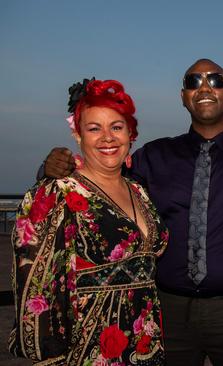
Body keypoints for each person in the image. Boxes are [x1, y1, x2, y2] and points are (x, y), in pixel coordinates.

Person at [41, 59, 223, 366]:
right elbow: (101, 188)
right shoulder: (153, 156)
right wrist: (54, 168)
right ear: (183, 97)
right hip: (166, 311)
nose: (204, 87)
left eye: (215, 80)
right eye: (193, 82)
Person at [10, 79, 168, 365]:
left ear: (131, 134)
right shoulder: (57, 192)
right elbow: (35, 288)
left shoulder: (139, 192)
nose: (107, 137)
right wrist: (50, 358)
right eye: (94, 128)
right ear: (77, 134)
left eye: (116, 127)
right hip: (87, 348)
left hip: (145, 345)